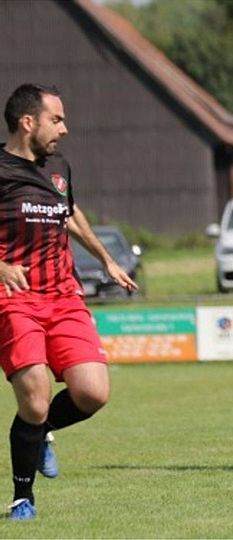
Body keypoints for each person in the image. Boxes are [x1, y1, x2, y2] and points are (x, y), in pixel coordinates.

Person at [0, 83, 138, 521]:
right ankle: (23, 496)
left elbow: (70, 213)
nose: (65, 127)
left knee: (92, 393)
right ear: (28, 122)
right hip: (15, 298)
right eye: (56, 119)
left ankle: (38, 434)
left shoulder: (59, 167)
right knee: (36, 399)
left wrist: (106, 259)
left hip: (64, 297)